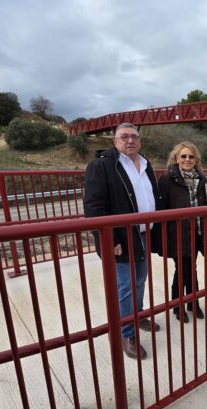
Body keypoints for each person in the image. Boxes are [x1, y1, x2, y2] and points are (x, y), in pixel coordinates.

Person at [84, 122, 162, 360]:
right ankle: (126, 332)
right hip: (120, 237)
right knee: (126, 286)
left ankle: (135, 316)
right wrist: (108, 238)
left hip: (143, 234)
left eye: (134, 137)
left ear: (140, 140)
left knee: (140, 279)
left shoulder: (146, 164)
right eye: (124, 137)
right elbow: (95, 207)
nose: (130, 141)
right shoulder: (102, 166)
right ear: (115, 142)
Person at [156, 141, 207, 323]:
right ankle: (179, 305)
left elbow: (203, 205)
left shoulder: (200, 179)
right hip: (176, 233)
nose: (187, 159)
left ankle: (191, 303)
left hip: (195, 232)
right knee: (182, 269)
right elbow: (161, 209)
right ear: (176, 158)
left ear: (196, 159)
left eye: (191, 156)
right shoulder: (166, 180)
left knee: (191, 268)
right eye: (183, 156)